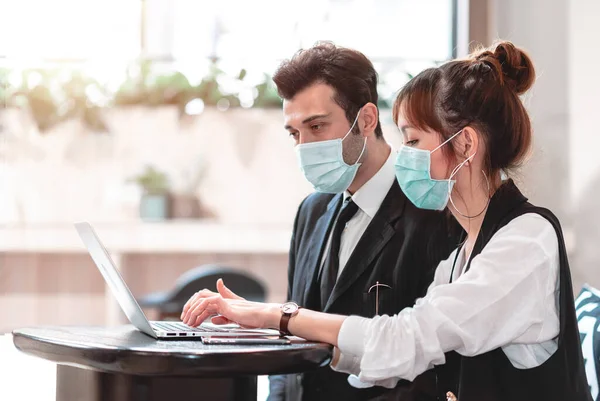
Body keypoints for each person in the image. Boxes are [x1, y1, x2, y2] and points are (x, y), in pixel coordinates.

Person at [180, 40, 593, 400]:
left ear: (465, 143)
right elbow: (394, 355)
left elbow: (406, 338)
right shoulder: (464, 254)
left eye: (413, 140)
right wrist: (268, 332)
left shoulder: (525, 241)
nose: (405, 155)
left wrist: (274, 316)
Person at [187, 42, 460, 401]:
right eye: (295, 133)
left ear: (366, 120)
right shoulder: (312, 212)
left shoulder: (433, 213)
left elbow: (434, 364)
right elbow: (291, 341)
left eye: (316, 126)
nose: (304, 146)